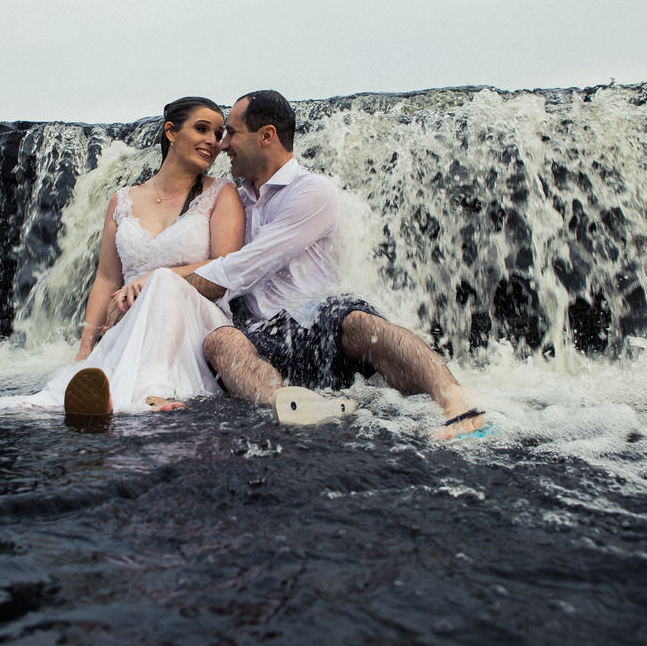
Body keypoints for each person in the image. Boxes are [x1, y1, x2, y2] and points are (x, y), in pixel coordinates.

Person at [182, 90, 486, 440]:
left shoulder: (312, 190)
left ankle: (455, 399)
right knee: (220, 341)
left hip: (321, 321)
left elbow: (243, 268)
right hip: (265, 338)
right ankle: (289, 405)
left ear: (267, 135)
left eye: (232, 133)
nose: (223, 145)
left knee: (359, 320)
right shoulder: (236, 199)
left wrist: (163, 286)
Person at [0, 97, 244, 417]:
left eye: (218, 134)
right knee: (70, 388)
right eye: (202, 129)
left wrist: (153, 277)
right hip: (131, 321)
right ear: (171, 132)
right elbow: (106, 278)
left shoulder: (221, 192)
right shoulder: (122, 200)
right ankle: (116, 396)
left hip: (199, 320)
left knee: (162, 280)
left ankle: (155, 391)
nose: (212, 141)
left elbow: (226, 266)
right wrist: (84, 348)